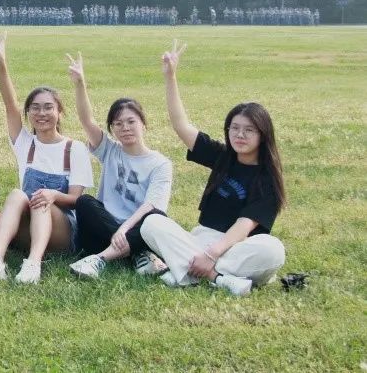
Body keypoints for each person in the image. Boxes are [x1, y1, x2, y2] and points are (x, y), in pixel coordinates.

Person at [140, 41, 286, 296]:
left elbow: (244, 227)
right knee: (151, 223)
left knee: (273, 250)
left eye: (249, 130)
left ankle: (189, 270)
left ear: (263, 135)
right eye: (234, 128)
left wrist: (211, 255)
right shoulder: (222, 156)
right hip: (202, 238)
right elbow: (181, 125)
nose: (240, 135)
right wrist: (170, 77)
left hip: (240, 246)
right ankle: (216, 278)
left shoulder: (268, 179)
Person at [0, 34, 93, 283]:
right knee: (18, 194)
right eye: (35, 108)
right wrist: (2, 64)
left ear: (59, 113)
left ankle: (33, 264)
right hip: (27, 228)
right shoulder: (26, 144)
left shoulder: (74, 148)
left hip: (62, 233)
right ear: (28, 113)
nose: (41, 113)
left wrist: (53, 195)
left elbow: (76, 201)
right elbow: (10, 105)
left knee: (40, 200)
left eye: (48, 107)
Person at [65, 53, 173, 280]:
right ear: (112, 129)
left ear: (143, 124)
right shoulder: (110, 150)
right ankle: (137, 255)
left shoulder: (160, 164)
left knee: (155, 218)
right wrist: (80, 84)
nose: (125, 128)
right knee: (84, 202)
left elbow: (151, 206)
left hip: (137, 230)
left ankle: (101, 258)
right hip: (102, 229)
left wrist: (124, 230)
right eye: (118, 124)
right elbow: (86, 120)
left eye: (131, 121)